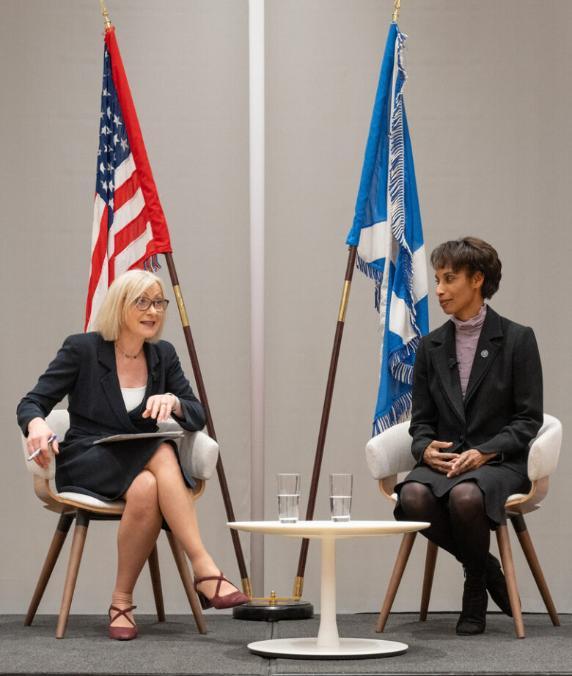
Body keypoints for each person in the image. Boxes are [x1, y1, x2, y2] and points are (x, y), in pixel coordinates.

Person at [17, 270, 248, 640]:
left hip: (138, 463)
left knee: (145, 486)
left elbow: (197, 413)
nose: (153, 310)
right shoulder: (83, 349)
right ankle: (204, 567)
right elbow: (32, 402)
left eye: (158, 302)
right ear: (120, 305)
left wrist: (173, 402)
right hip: (86, 458)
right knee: (161, 449)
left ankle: (121, 602)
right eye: (142, 301)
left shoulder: (162, 355)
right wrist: (37, 426)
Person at [395, 237, 543, 635]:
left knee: (466, 496)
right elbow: (420, 422)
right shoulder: (430, 346)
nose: (439, 290)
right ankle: (484, 567)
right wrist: (425, 450)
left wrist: (485, 453)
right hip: (447, 462)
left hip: (498, 463)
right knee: (411, 495)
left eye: (449, 279)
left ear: (477, 279)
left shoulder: (517, 339)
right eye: (437, 279)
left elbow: (528, 420)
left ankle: (474, 589)